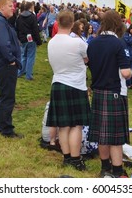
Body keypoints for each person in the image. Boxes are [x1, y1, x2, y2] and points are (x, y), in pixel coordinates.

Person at [87, 10, 132, 178]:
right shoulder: (118, 44)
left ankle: (105, 167)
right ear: (117, 24)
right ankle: (118, 170)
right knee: (115, 137)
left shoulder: (93, 43)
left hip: (98, 91)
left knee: (102, 135)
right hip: (115, 92)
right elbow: (126, 72)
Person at [46, 10, 90, 171]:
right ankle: (75, 158)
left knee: (63, 126)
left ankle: (66, 157)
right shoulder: (77, 42)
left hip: (57, 83)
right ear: (72, 23)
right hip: (76, 85)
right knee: (76, 125)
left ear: (58, 22)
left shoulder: (51, 42)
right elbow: (88, 58)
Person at [0, 0, 23, 139]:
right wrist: (11, 60)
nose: (13, 8)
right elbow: (3, 43)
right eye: (9, 6)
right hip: (5, 64)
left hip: (1, 62)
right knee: (8, 97)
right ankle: (6, 130)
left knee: (3, 96)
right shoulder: (0, 21)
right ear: (1, 8)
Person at [16, 1, 42, 80]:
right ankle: (28, 75)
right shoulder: (32, 16)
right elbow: (35, 30)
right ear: (31, 7)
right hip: (31, 39)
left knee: (24, 56)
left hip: (22, 39)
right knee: (30, 56)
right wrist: (38, 41)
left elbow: (17, 28)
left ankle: (20, 72)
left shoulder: (19, 17)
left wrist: (18, 38)